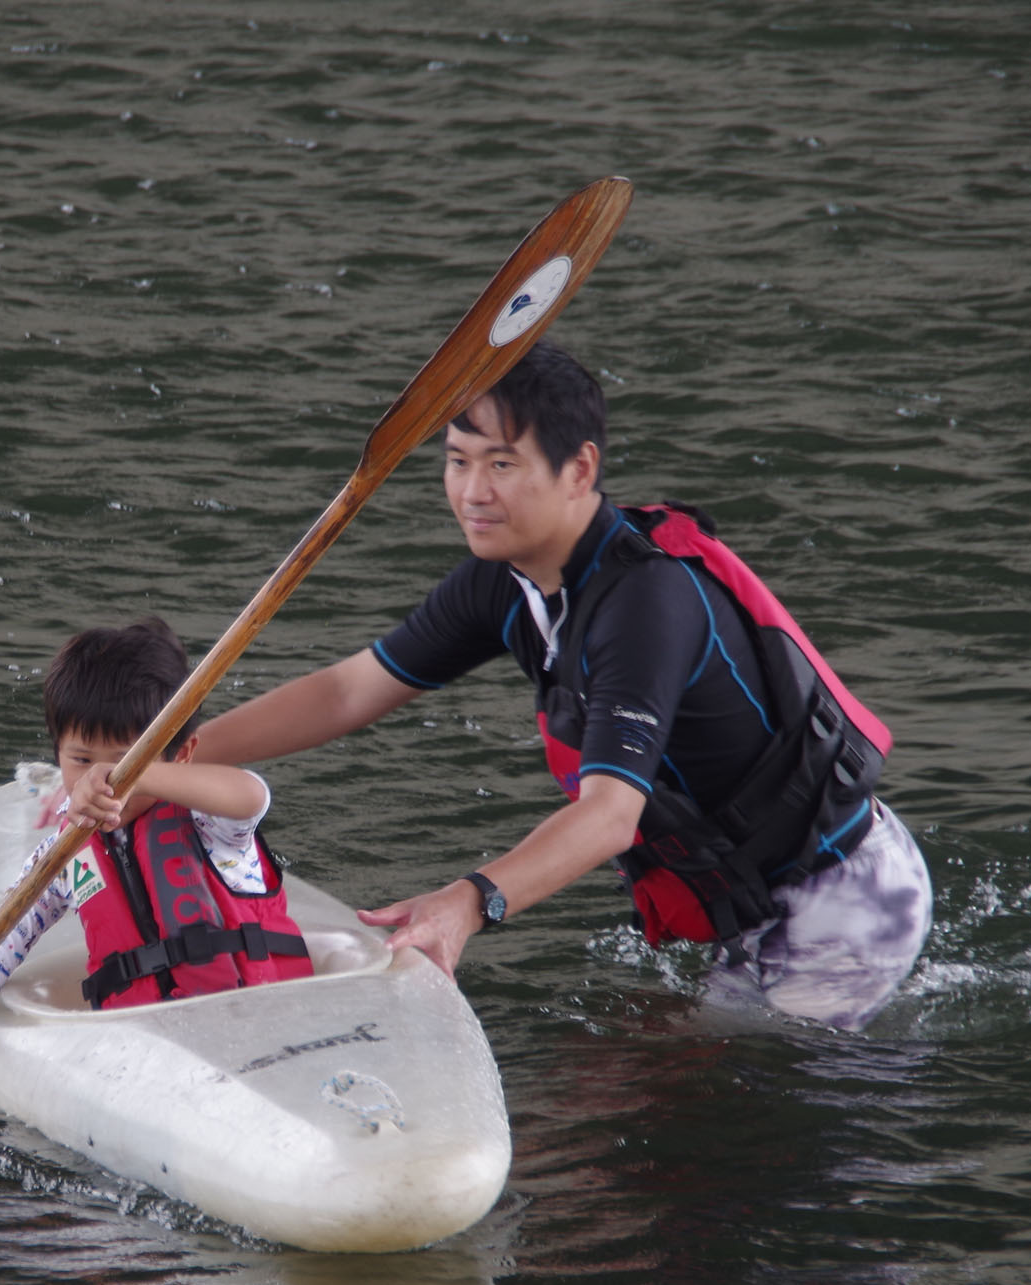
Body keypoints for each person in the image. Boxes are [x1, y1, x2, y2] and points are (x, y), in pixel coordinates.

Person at [191, 342, 933, 1030]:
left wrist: (466, 904)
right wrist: (174, 761)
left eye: (502, 465)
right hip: (744, 896)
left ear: (579, 469)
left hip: (844, 899)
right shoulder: (501, 584)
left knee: (679, 1111)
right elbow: (350, 690)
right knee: (631, 1069)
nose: (472, 492)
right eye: (456, 461)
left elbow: (610, 818)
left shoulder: (645, 603)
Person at [0, 617, 313, 1036]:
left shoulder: (210, 824)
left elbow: (251, 796)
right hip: (147, 1044)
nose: (102, 777)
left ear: (182, 755)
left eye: (126, 759)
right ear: (57, 754)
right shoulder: (59, 856)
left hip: (261, 1022)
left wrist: (137, 776)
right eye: (82, 760)